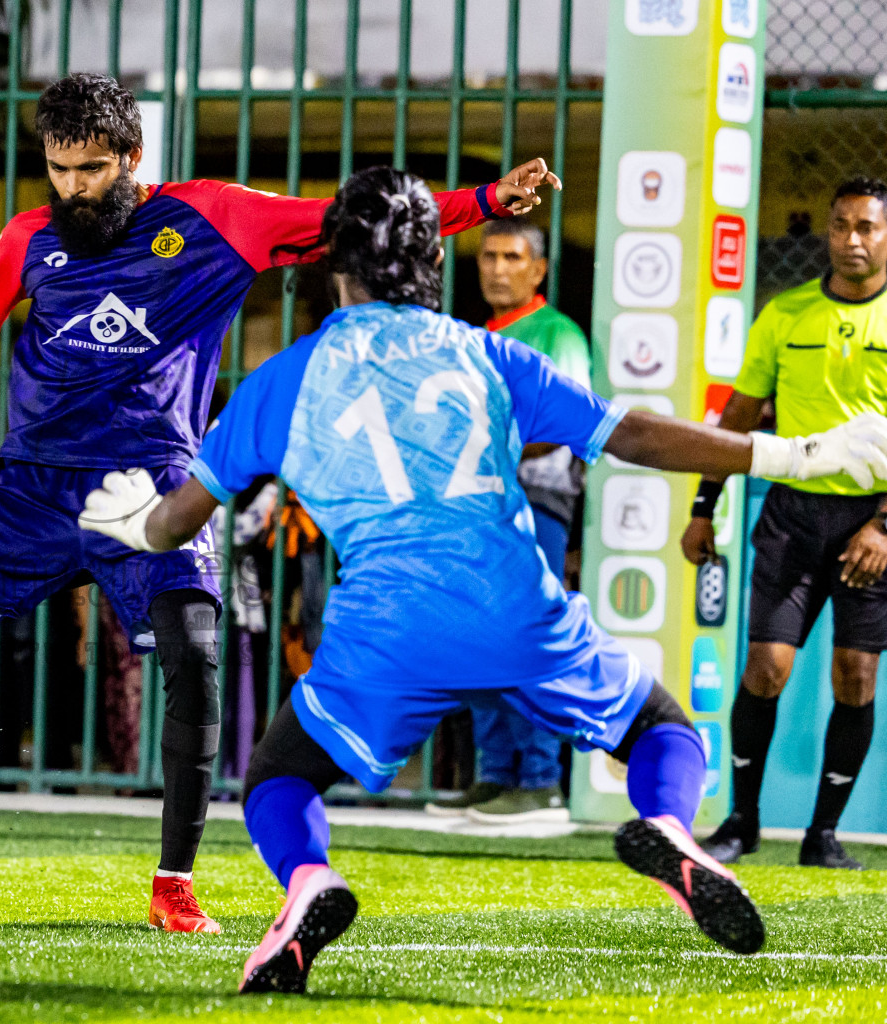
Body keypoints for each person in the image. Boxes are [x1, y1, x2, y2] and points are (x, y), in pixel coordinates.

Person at [0, 71, 562, 934]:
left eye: (92, 169)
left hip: (151, 487)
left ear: (133, 159)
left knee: (194, 655)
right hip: (34, 486)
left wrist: (483, 199)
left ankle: (173, 882)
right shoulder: (31, 236)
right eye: (58, 170)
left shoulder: (213, 217)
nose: (72, 188)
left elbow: (347, 223)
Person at [78, 167, 887, 990]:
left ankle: (310, 880)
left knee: (278, 778)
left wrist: (126, 522)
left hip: (385, 630)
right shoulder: (488, 352)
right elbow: (633, 436)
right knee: (662, 729)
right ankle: (672, 831)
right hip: (514, 610)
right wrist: (791, 454)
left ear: (331, 261)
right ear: (437, 260)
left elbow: (176, 521)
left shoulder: (283, 379)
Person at [686, 176, 887, 871]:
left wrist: (882, 529)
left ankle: (822, 836)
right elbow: (738, 419)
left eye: (866, 226)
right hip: (792, 514)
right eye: (841, 226)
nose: (852, 239)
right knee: (766, 669)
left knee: (856, 678)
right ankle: (741, 822)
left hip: (875, 524)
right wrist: (702, 507)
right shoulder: (785, 314)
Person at [427, 218, 591, 823]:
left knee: (528, 635)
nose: (497, 268)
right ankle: (495, 775)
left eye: (511, 257)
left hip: (535, 507)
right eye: (488, 256)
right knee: (475, 639)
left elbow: (557, 428)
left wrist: (477, 456)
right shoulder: (471, 336)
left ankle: (542, 780)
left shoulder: (557, 333)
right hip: (475, 508)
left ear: (538, 269)